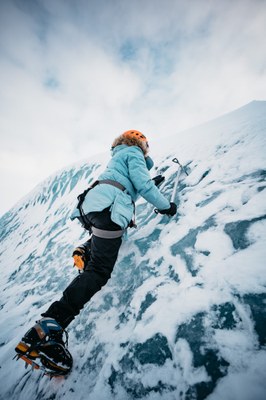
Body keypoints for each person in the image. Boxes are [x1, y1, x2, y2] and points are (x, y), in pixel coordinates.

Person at [15, 130, 177, 376]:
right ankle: (49, 328)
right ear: (140, 143)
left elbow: (132, 183)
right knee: (99, 271)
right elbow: (141, 184)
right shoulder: (133, 152)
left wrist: (150, 183)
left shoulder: (119, 156)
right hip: (109, 208)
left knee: (108, 237)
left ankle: (86, 248)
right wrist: (166, 206)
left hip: (93, 207)